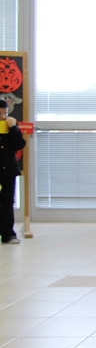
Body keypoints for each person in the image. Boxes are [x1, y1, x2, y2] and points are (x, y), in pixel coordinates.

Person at [0, 100, 25, 245]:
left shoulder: (10, 127)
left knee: (7, 202)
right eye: (0, 114)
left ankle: (8, 234)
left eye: (5, 113)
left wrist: (13, 128)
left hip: (8, 171)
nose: (3, 117)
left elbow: (20, 144)